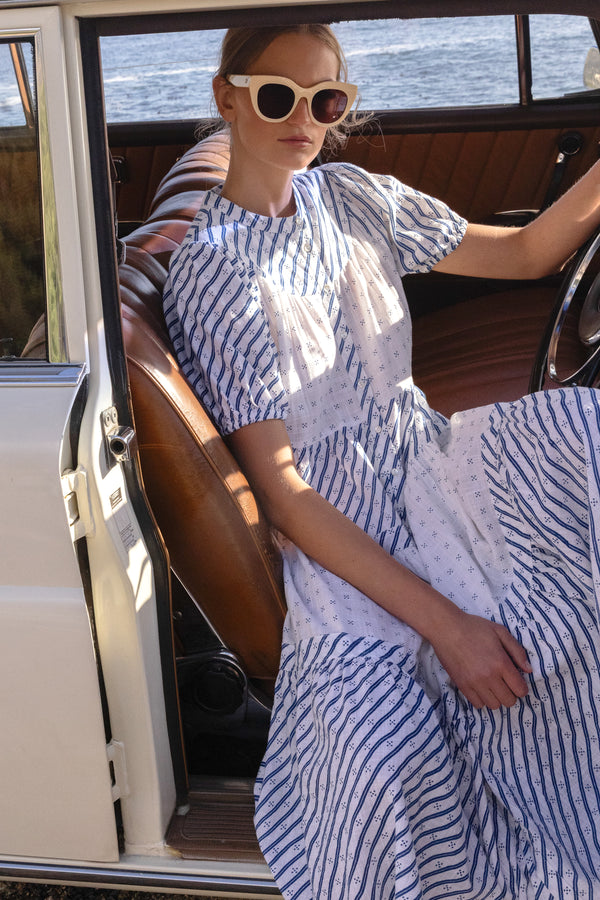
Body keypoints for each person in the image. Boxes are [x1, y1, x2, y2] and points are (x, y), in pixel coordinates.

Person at [163, 22, 600, 900]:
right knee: (397, 731)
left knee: (585, 446)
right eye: (278, 98)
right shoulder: (213, 271)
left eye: (327, 100)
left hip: (426, 455)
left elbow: (525, 254)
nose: (305, 120)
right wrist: (448, 627)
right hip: (344, 521)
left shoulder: (351, 195)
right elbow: (287, 496)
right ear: (226, 99)